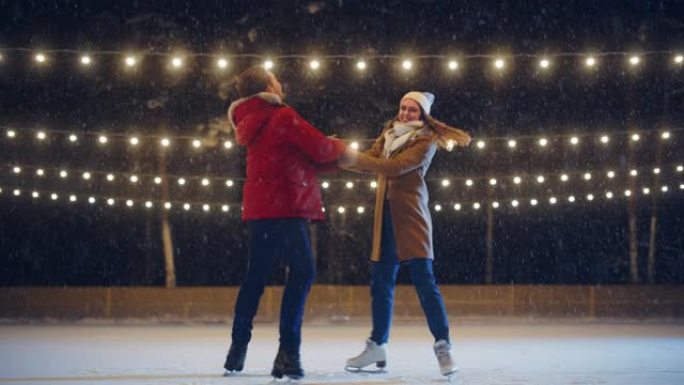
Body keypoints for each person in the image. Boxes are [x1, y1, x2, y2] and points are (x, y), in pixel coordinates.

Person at [223, 66, 347, 380]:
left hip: (260, 208)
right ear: (267, 87)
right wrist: (341, 147)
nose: (281, 82)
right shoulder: (282, 115)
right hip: (287, 205)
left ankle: (238, 345)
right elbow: (319, 148)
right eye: (276, 79)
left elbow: (294, 156)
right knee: (303, 270)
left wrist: (326, 158)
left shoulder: (249, 121)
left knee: (256, 275)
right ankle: (288, 353)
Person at [339, 91, 471, 378]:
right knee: (381, 283)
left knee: (425, 283)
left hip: (412, 219)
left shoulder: (426, 141)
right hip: (384, 220)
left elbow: (393, 167)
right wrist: (335, 157)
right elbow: (370, 161)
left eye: (412, 110)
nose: (405, 113)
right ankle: (377, 346)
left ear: (422, 115)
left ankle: (443, 345)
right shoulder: (388, 134)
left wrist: (350, 156)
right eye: (403, 107)